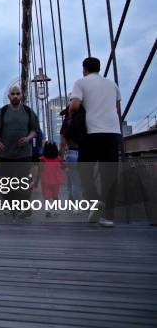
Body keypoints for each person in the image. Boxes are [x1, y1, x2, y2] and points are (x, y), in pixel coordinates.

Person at [69, 57, 121, 228]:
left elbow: (75, 105)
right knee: (109, 175)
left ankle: (95, 202)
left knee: (85, 171)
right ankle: (108, 216)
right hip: (113, 133)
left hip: (91, 133)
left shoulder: (81, 83)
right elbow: (117, 103)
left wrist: (71, 112)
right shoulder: (112, 84)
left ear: (84, 69)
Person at [0, 86, 39, 217]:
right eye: (13, 94)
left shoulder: (28, 112)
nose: (16, 96)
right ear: (9, 96)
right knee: (5, 185)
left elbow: (35, 130)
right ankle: (13, 207)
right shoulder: (3, 111)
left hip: (24, 154)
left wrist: (28, 138)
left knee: (21, 181)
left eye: (18, 94)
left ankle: (24, 207)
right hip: (5, 154)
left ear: (22, 95)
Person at [37, 142, 64, 217]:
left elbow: (40, 170)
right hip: (56, 180)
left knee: (47, 196)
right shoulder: (58, 158)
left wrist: (36, 182)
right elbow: (63, 167)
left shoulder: (42, 159)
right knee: (55, 196)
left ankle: (48, 211)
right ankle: (56, 210)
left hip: (45, 180)